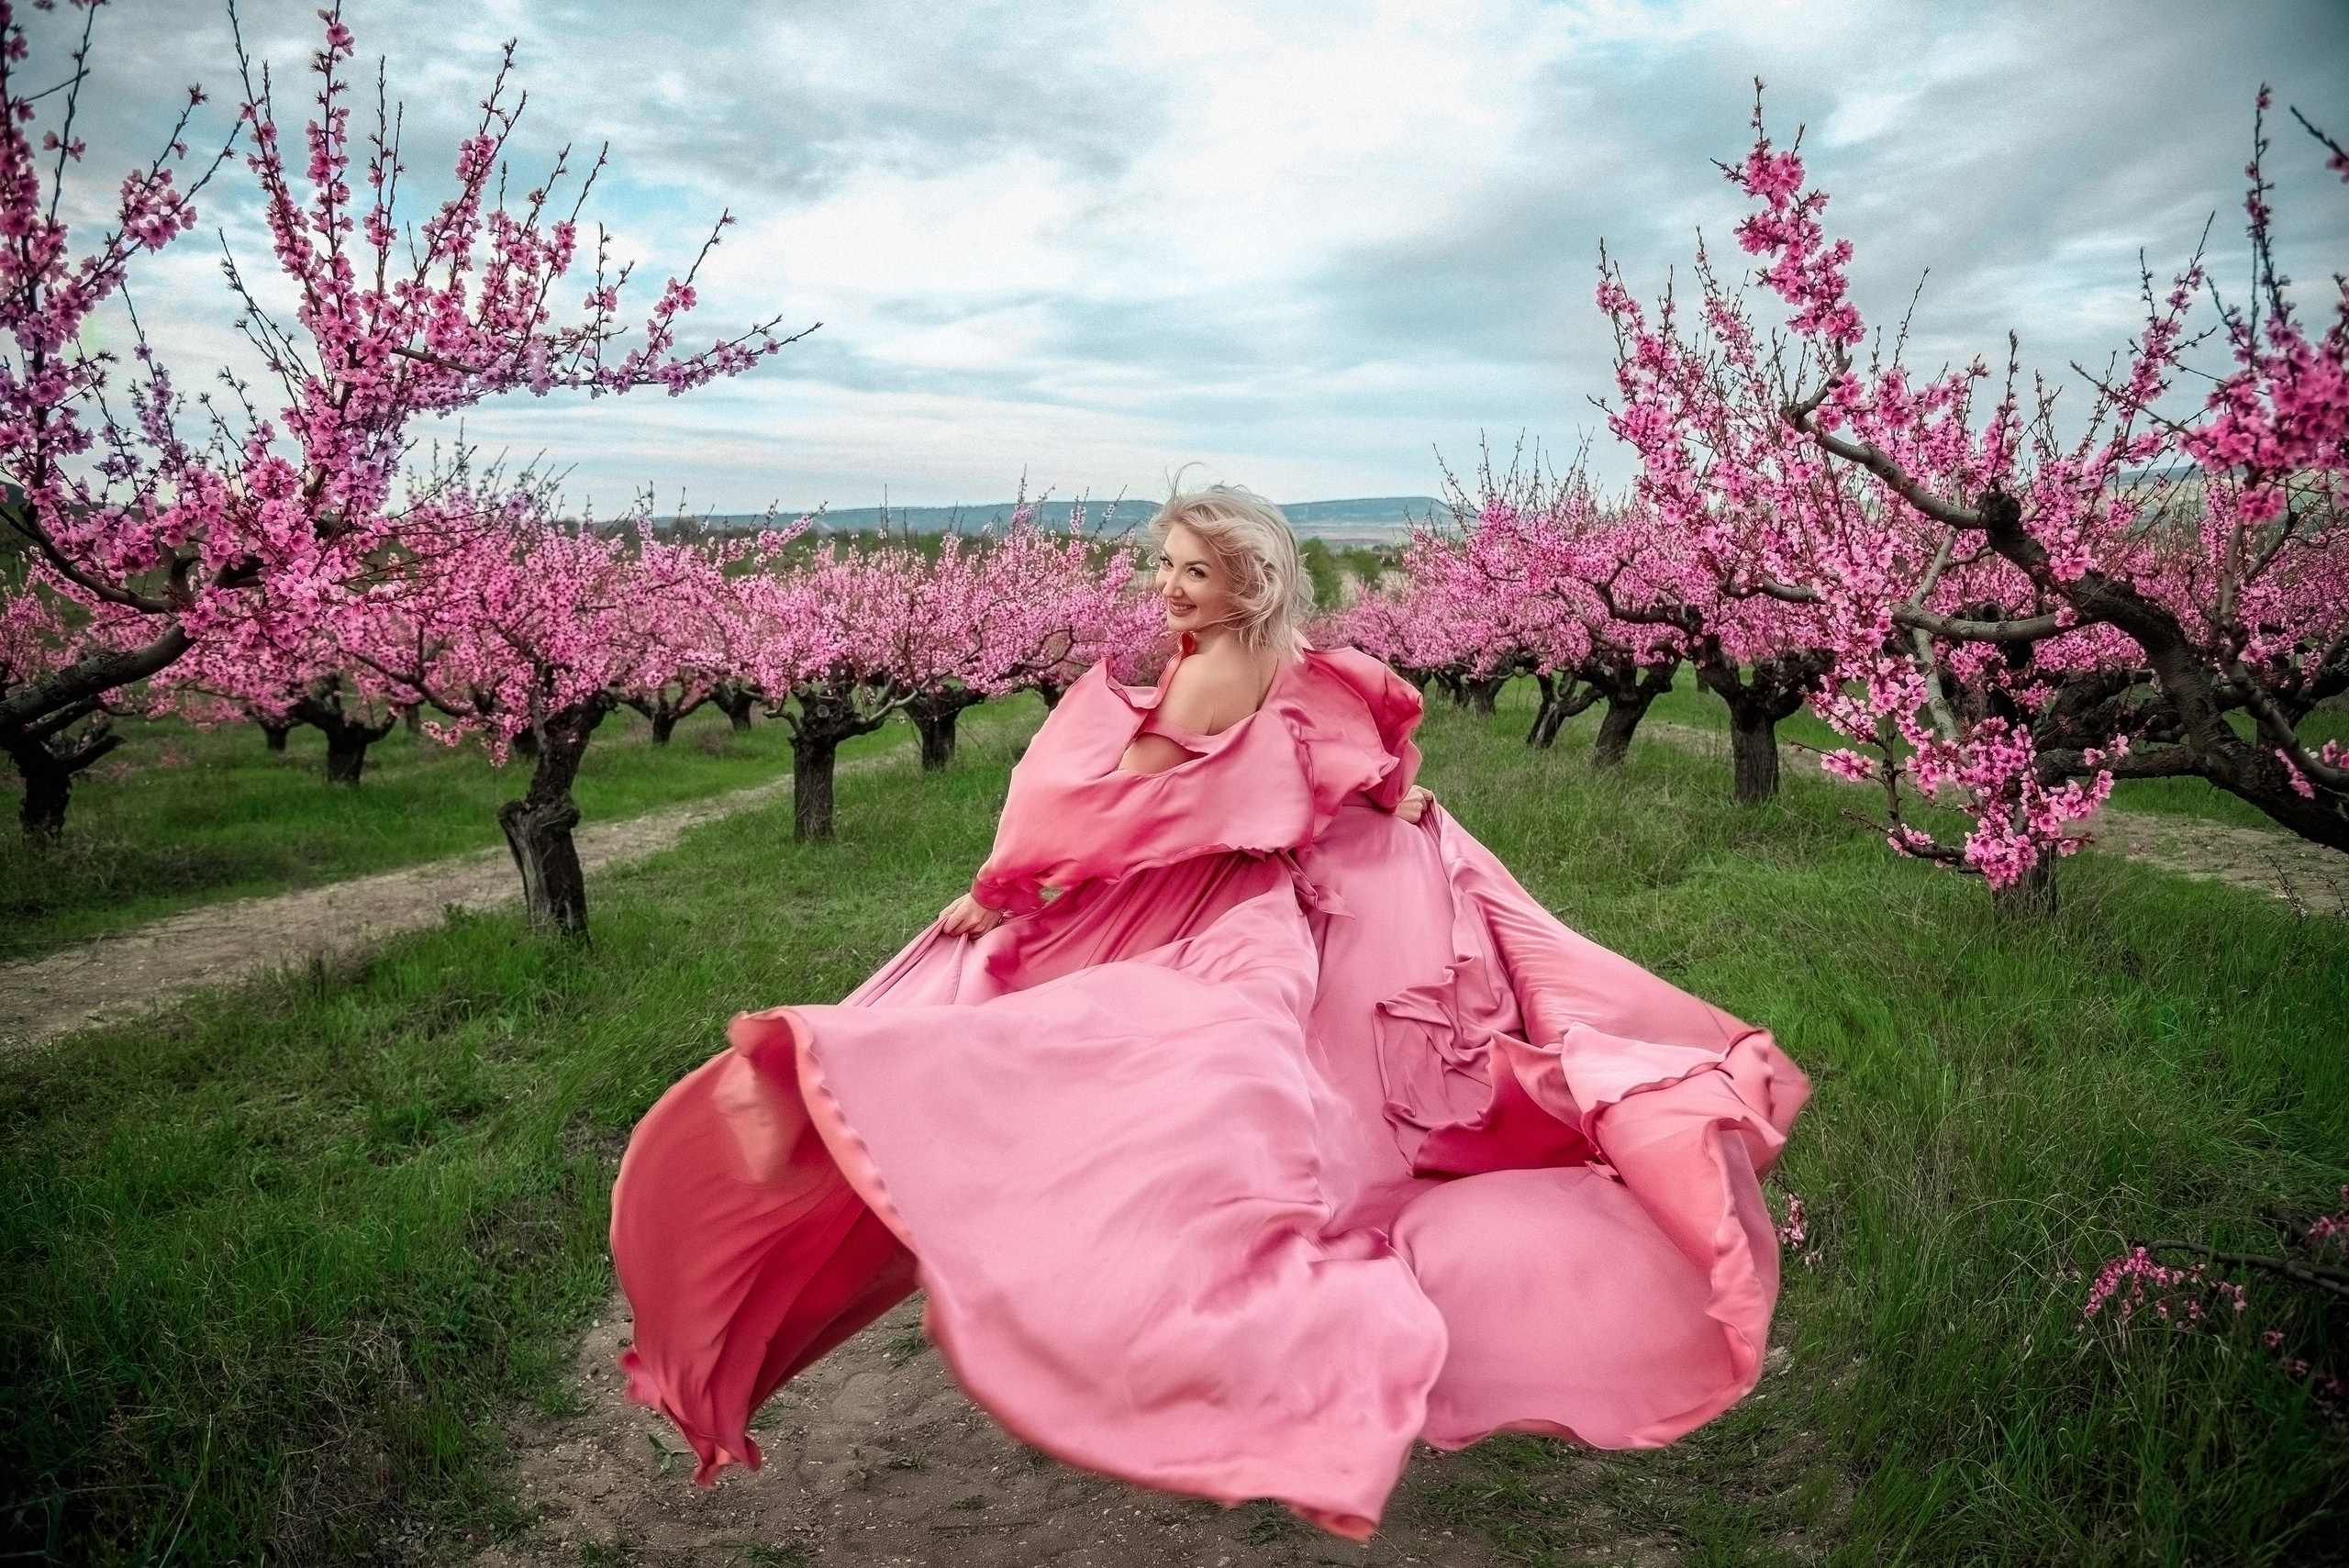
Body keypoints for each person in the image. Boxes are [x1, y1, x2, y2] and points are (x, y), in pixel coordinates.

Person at [610, 483, 1809, 1541]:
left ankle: (1145, 1306)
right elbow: (1342, 744)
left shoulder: (1220, 665)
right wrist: (1390, 792)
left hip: (1222, 906)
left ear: (1246, 583)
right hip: (1255, 894)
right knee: (1243, 1093)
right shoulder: (1268, 660)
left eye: (1192, 568)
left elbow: (1114, 816)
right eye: (1164, 565)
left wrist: (1001, 891)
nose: (1168, 588)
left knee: (1085, 1071)